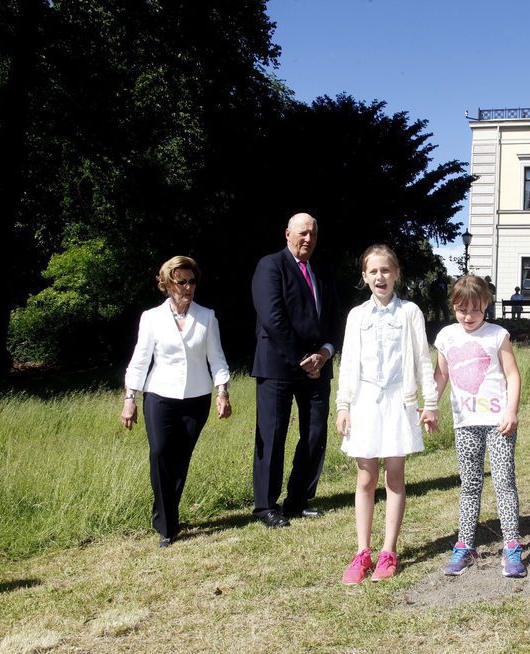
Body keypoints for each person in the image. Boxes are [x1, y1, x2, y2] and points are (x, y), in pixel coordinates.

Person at [335, 244, 439, 584]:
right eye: (373, 271)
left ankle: (388, 551)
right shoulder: (357, 316)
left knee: (395, 475)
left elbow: (424, 361)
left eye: (386, 270)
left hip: (399, 402)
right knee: (366, 477)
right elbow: (348, 363)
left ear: (396, 274)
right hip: (364, 402)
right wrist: (343, 406)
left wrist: (431, 402)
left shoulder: (409, 312)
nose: (380, 277)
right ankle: (362, 551)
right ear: (364, 277)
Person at [122, 256, 232, 548]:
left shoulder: (206, 317)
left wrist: (222, 391)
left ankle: (166, 515)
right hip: (159, 396)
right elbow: (140, 360)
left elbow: (217, 358)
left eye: (192, 281)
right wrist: (129, 398)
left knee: (180, 460)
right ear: (168, 284)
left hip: (197, 398)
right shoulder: (151, 318)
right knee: (160, 453)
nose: (188, 287)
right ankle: (167, 525)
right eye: (181, 282)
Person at [251, 213, 341, 528]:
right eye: (302, 233)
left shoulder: (322, 270)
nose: (308, 239)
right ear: (288, 233)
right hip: (278, 366)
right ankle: (265, 506)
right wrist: (304, 358)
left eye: (313, 234)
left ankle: (298, 500)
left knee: (316, 433)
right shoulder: (270, 266)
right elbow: (273, 317)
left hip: (318, 366)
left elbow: (334, 317)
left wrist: (324, 354)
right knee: (272, 435)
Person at [434, 275, 525, 578]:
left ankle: (511, 545)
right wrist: (430, 405)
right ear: (454, 308)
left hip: (499, 423)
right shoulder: (447, 337)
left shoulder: (497, 335)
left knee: (504, 483)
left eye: (474, 310)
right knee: (470, 485)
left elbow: (512, 375)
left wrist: (511, 411)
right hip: (465, 425)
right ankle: (465, 545)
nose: (468, 317)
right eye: (461, 310)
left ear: (485, 304)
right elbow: (441, 376)